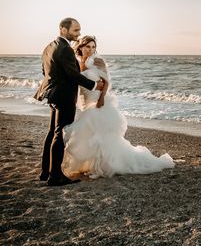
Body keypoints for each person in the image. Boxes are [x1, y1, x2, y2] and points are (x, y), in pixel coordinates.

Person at [62, 35, 174, 178]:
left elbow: (106, 82)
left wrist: (102, 98)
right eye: (87, 47)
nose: (91, 50)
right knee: (89, 134)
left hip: (98, 102)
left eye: (93, 47)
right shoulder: (77, 62)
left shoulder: (97, 60)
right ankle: (91, 165)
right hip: (85, 103)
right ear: (81, 47)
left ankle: (101, 166)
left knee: (99, 136)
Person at [35, 18, 106, 186]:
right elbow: (73, 75)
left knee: (52, 131)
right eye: (75, 30)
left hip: (52, 94)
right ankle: (55, 176)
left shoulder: (50, 46)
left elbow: (44, 70)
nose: (78, 33)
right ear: (63, 29)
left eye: (79, 30)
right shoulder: (65, 48)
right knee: (60, 133)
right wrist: (95, 85)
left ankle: (45, 171)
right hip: (64, 96)